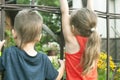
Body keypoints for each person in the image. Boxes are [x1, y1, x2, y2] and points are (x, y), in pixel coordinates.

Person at [0, 9, 65, 80]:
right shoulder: (43, 60)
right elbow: (55, 78)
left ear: (14, 33)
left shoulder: (9, 53)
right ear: (39, 37)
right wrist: (62, 66)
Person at [59, 0, 101, 80]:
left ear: (73, 28)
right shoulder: (94, 35)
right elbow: (90, 13)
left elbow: (65, 11)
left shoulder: (71, 40)